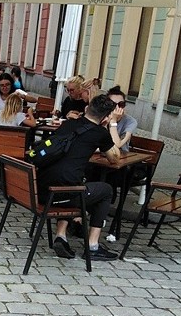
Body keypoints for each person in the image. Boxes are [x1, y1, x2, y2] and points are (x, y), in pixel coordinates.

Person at [38, 93, 125, 262]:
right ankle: (92, 246)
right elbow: (115, 157)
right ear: (105, 116)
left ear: (87, 108)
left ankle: (61, 236)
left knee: (74, 183)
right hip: (61, 195)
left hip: (41, 191)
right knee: (105, 190)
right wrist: (111, 124)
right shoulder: (100, 132)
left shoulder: (69, 124)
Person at [106, 86, 136, 150]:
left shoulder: (130, 121)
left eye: (121, 104)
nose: (117, 107)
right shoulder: (102, 117)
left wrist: (113, 121)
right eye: (113, 104)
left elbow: (117, 145)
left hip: (121, 155)